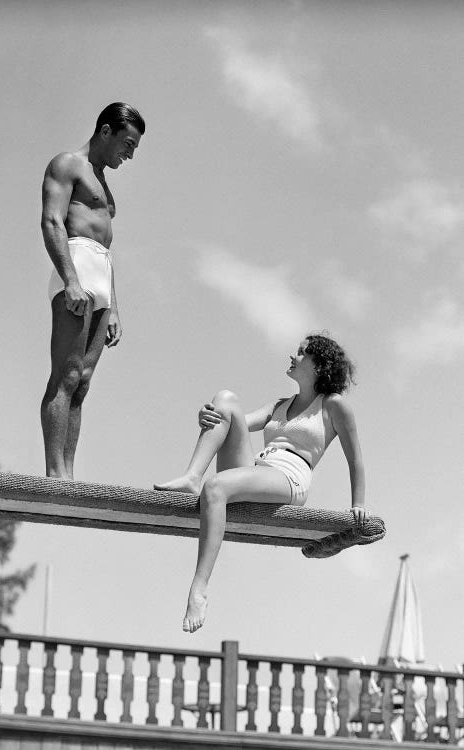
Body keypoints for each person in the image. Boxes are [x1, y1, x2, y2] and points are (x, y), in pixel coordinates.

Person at [154, 334, 366, 633]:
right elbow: (231, 420)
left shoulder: (333, 406)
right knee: (225, 400)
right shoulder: (281, 405)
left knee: (215, 488)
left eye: (302, 353)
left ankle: (199, 590)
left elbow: (355, 458)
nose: (293, 356)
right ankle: (192, 476)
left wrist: (358, 504)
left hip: (289, 477)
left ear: (319, 366)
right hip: (257, 468)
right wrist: (209, 415)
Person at [40, 103, 145, 479]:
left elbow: (107, 248)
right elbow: (52, 221)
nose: (130, 154)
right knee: (66, 374)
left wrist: (114, 306)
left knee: (82, 382)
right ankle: (56, 474)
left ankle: (69, 471)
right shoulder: (68, 164)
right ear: (105, 132)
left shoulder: (103, 182)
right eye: (127, 144)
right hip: (76, 266)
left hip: (100, 273)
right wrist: (70, 280)